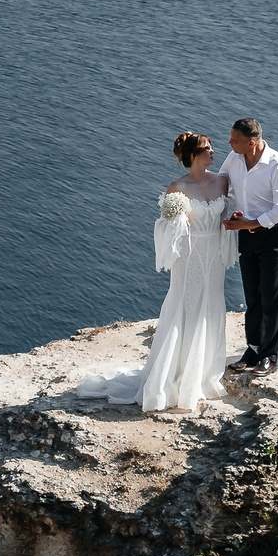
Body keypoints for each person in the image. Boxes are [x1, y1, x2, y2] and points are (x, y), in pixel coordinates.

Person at [77, 133, 240, 412]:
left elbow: (227, 216)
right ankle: (172, 376)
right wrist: (175, 224)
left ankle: (200, 373)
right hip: (188, 257)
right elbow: (166, 227)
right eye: (207, 149)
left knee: (211, 305)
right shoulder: (177, 188)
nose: (213, 152)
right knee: (185, 306)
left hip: (213, 255)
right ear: (193, 155)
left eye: (212, 148)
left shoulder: (222, 181)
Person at [221, 117, 278, 373]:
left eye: (234, 140)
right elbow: (222, 183)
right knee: (252, 296)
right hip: (248, 234)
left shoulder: (277, 165)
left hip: (274, 236)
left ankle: (269, 357)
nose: (229, 143)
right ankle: (252, 350)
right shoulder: (234, 159)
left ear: (251, 143)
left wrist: (251, 223)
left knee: (271, 297)